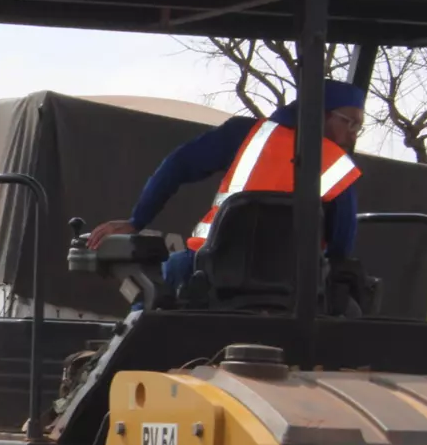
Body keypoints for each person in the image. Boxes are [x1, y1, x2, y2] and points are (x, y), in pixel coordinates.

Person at [86, 79, 366, 293]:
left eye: (357, 127)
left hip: (205, 270)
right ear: (321, 113)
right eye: (350, 123)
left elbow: (178, 165)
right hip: (290, 290)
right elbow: (341, 246)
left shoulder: (244, 133)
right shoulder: (339, 168)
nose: (353, 135)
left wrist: (137, 221)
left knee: (150, 297)